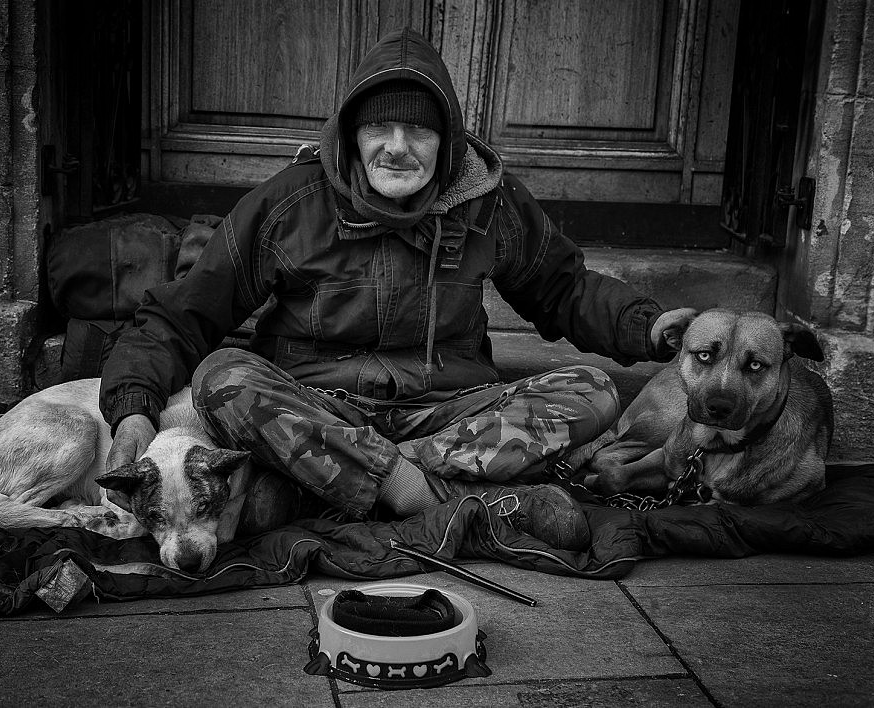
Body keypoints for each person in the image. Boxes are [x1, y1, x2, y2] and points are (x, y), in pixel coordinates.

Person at [99, 27, 693, 549]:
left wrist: (649, 326)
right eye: (379, 127)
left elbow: (566, 290)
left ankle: (369, 486)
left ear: (448, 141)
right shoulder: (292, 203)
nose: (397, 147)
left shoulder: (489, 204)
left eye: (418, 131)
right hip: (319, 408)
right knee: (222, 379)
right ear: (353, 134)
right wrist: (132, 410)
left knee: (593, 393)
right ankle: (459, 498)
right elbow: (181, 316)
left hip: (446, 416)